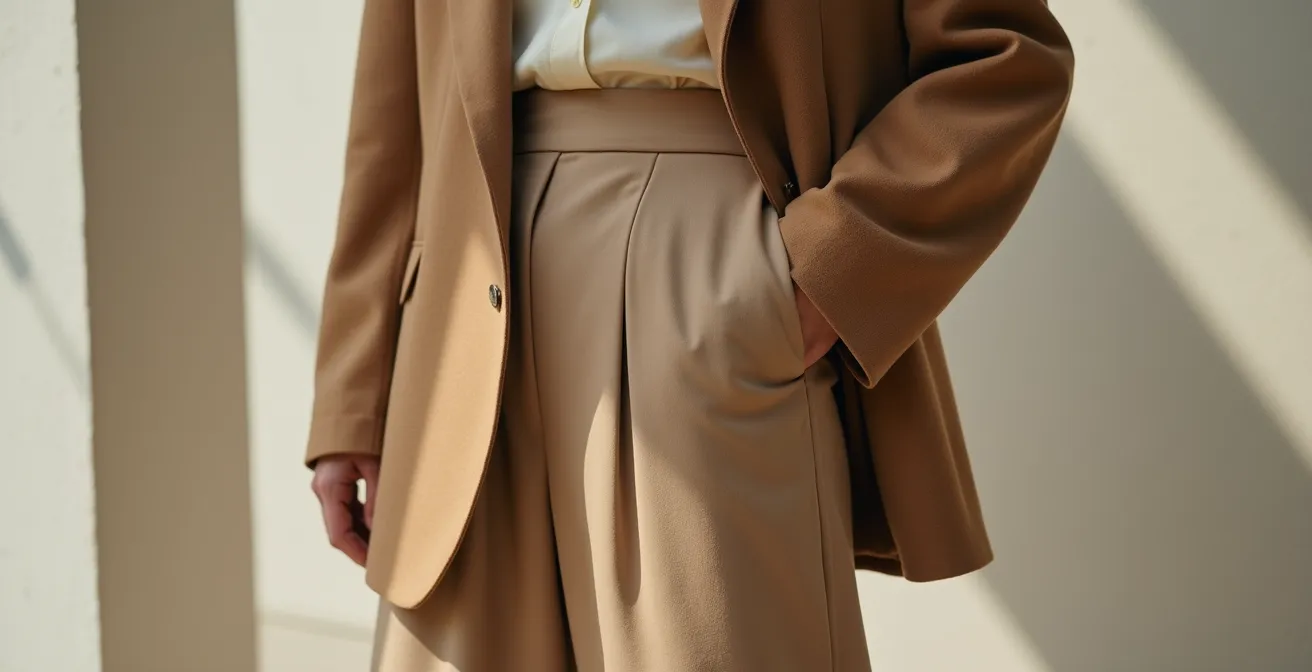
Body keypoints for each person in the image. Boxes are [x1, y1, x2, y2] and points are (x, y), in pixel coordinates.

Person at [306, 0, 1073, 669]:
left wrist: (821, 280)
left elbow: (1004, 51)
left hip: (714, 261)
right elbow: (395, 98)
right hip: (463, 291)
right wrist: (356, 390)